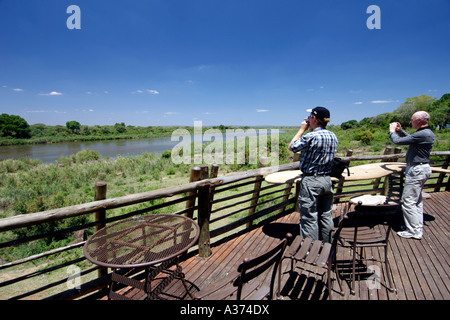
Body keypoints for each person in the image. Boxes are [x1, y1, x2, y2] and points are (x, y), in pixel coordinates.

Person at [288, 106, 338, 242]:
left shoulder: (311, 136)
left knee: (309, 218)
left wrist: (302, 129)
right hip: (326, 180)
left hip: (311, 181)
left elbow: (292, 147)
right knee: (326, 215)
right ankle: (329, 245)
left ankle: (310, 249)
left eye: (309, 117)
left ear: (314, 118)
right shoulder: (332, 136)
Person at [389, 111, 435, 240]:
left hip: (417, 169)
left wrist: (392, 131)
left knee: (408, 201)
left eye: (412, 119)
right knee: (416, 201)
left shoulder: (423, 133)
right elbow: (411, 140)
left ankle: (414, 231)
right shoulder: (426, 133)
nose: (411, 121)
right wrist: (401, 130)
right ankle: (415, 226)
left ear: (419, 120)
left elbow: (397, 142)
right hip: (421, 168)